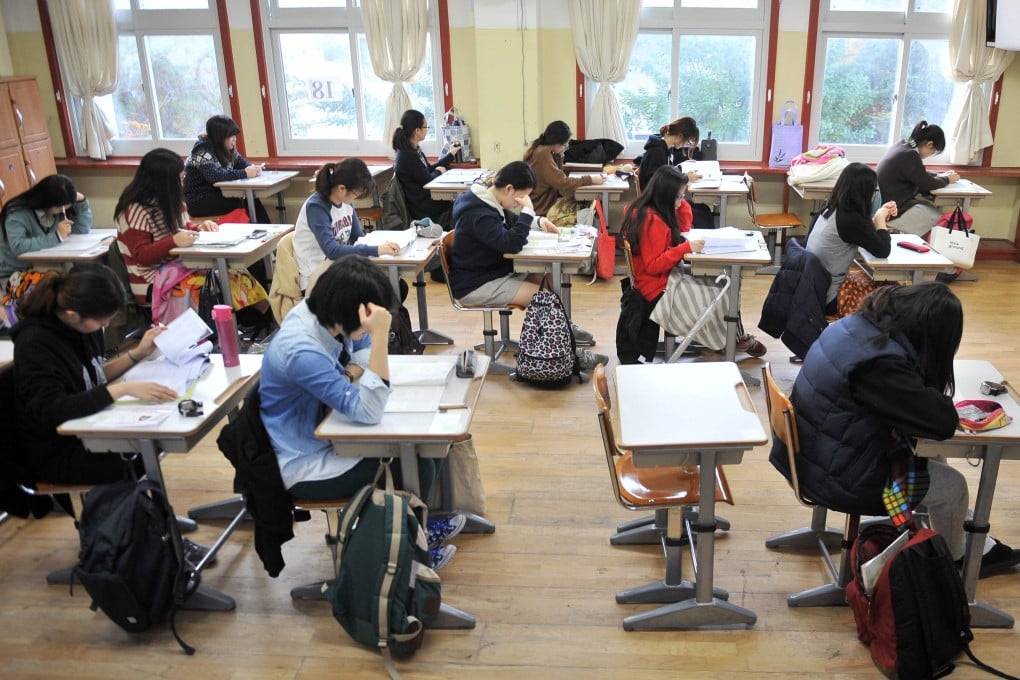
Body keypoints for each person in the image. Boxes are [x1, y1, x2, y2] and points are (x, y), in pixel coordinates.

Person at [771, 283, 1020, 578]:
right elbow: (940, 423)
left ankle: (965, 539)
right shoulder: (880, 364)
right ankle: (958, 560)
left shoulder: (858, 326)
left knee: (933, 458)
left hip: (815, 452)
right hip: (837, 474)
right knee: (953, 488)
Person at [259, 256, 463, 570]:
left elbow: (363, 356)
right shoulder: (302, 348)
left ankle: (411, 530)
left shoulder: (329, 315)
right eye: (370, 316)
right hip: (306, 465)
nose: (372, 323)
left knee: (429, 443)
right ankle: (407, 554)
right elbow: (367, 410)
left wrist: (354, 368)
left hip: (331, 433)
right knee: (417, 459)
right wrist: (380, 335)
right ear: (352, 309)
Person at [448, 160, 606, 365]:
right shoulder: (479, 213)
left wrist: (539, 221)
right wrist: (528, 212)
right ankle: (568, 354)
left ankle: (557, 337)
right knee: (546, 299)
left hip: (492, 271)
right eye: (521, 198)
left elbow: (511, 222)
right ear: (509, 188)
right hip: (476, 283)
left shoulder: (489, 200)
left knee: (547, 274)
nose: (520, 204)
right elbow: (511, 243)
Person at [621, 165, 766, 360]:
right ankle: (728, 340)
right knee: (722, 293)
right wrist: (685, 248)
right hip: (655, 288)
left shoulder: (652, 209)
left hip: (660, 279)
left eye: (682, 196)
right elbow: (653, 265)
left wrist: (681, 204)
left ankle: (729, 338)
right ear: (665, 195)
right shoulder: (651, 220)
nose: (681, 201)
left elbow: (684, 227)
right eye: (678, 197)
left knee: (722, 286)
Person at [115, 148, 270, 325]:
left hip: (180, 266)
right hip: (152, 280)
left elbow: (182, 227)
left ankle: (254, 323)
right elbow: (142, 255)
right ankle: (213, 334)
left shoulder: (170, 200)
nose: (181, 184)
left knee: (234, 273)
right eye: (178, 180)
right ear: (162, 182)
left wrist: (199, 228)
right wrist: (173, 242)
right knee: (209, 286)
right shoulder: (134, 210)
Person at [292, 158, 401, 292]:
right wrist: (377, 250)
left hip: (339, 268)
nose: (356, 198)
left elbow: (358, 238)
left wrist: (381, 245)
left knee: (397, 286)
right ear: (342, 188)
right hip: (317, 277)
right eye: (356, 194)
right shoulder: (317, 207)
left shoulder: (345, 202)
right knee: (382, 291)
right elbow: (331, 251)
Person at [1, 175, 92, 327]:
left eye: (66, 206)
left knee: (75, 287)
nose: (62, 211)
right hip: (15, 271)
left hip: (46, 266)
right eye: (59, 207)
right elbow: (19, 247)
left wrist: (81, 202)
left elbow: (81, 229)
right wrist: (56, 236)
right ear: (46, 202)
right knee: (48, 300)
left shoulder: (55, 210)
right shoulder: (17, 212)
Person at [806, 162, 896, 314]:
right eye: (874, 190)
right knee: (892, 294)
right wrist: (880, 220)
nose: (875, 195)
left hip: (816, 289)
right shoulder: (850, 220)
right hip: (830, 296)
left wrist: (877, 218)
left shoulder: (832, 207)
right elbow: (883, 250)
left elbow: (866, 234)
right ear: (864, 192)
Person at [876, 120, 958, 237]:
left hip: (888, 201)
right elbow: (928, 183)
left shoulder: (902, 145)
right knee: (939, 218)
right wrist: (947, 179)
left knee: (930, 208)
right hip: (891, 208)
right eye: (933, 151)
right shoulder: (910, 155)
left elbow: (918, 173)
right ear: (929, 145)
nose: (931, 155)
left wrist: (940, 175)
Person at [183, 114, 271, 223]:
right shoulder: (201, 149)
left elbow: (241, 162)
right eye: (231, 136)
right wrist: (245, 173)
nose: (234, 139)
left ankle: (267, 232)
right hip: (199, 200)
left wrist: (253, 168)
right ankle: (257, 233)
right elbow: (214, 176)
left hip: (219, 194)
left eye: (235, 135)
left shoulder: (226, 147)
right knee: (243, 202)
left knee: (252, 198)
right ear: (220, 137)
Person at [522, 120, 604, 226]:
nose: (567, 147)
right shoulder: (543, 154)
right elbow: (562, 182)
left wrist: (560, 155)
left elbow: (557, 174)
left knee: (588, 206)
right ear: (556, 144)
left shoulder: (543, 150)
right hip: (542, 208)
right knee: (588, 211)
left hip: (545, 202)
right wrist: (590, 179)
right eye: (565, 144)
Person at [636, 116, 713, 227]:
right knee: (702, 216)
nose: (686, 144)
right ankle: (689, 242)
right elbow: (660, 182)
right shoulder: (657, 152)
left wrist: (681, 168)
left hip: (663, 199)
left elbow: (665, 171)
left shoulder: (665, 147)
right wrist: (685, 178)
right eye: (688, 141)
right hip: (657, 203)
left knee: (704, 209)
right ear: (680, 136)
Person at [392, 109, 457, 227]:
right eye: (425, 127)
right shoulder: (407, 156)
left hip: (427, 200)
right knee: (459, 204)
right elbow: (428, 180)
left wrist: (450, 155)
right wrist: (439, 171)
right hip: (424, 207)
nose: (427, 130)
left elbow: (428, 169)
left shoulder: (414, 150)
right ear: (417, 131)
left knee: (460, 203)